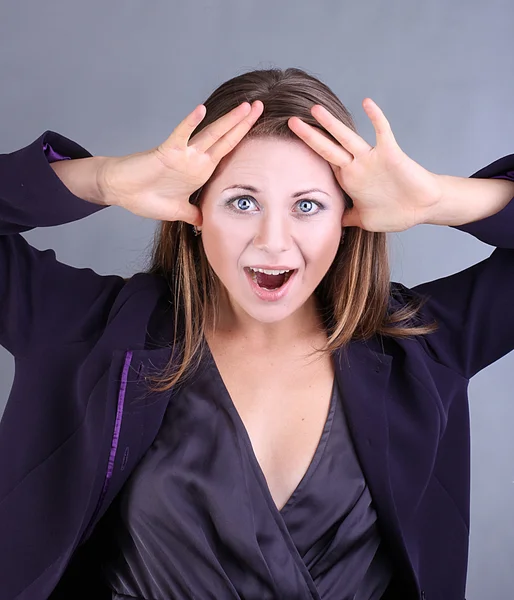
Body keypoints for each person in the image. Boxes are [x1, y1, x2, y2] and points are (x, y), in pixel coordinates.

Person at [0, 67, 513, 600]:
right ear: (195, 211)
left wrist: (436, 200)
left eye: (307, 205)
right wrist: (103, 179)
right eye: (242, 202)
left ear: (349, 216)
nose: (273, 241)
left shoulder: (425, 342)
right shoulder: (83, 330)